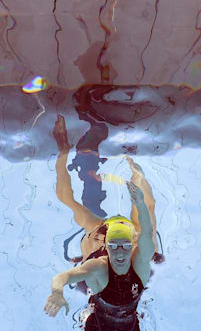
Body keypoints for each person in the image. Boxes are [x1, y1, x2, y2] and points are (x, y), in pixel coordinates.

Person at [45, 179, 155, 331]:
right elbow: (64, 276)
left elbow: (147, 233)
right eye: (113, 246)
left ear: (131, 246)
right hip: (98, 330)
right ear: (106, 246)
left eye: (125, 246)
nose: (119, 253)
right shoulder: (99, 267)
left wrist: (140, 204)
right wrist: (56, 291)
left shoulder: (140, 265)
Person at [52, 114, 162, 267]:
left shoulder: (95, 235)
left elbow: (65, 197)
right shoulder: (142, 239)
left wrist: (63, 150)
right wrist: (134, 168)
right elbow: (149, 203)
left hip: (97, 254)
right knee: (144, 204)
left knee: (89, 185)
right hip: (129, 253)